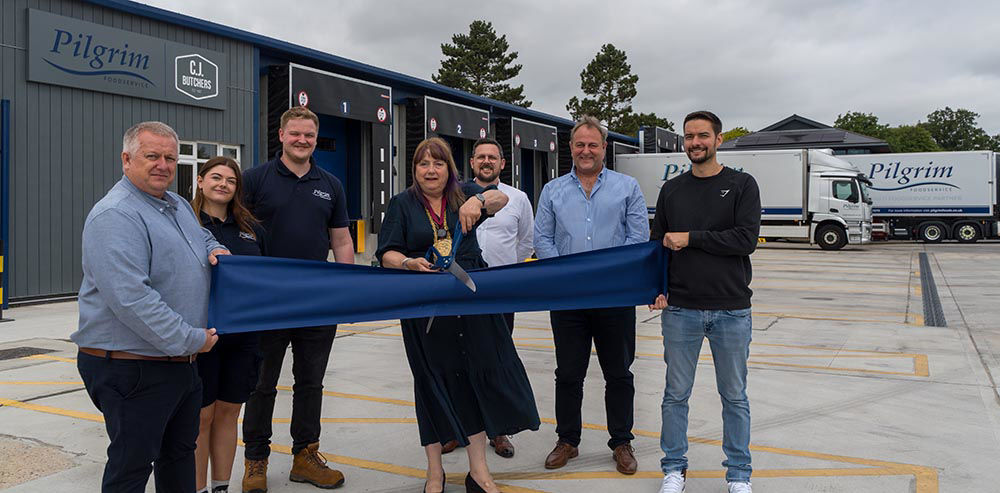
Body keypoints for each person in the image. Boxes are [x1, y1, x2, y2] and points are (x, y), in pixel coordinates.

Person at [71, 121, 229, 493]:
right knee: (131, 468)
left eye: (171, 158)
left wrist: (212, 248)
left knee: (179, 457)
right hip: (132, 366)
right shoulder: (116, 215)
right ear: (126, 160)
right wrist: (191, 339)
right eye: (152, 156)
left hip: (178, 363)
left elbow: (201, 235)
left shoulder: (175, 205)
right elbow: (132, 299)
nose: (163, 165)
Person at [376, 137, 540, 493]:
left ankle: (479, 472)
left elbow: (502, 198)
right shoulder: (402, 204)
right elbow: (386, 251)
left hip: (469, 299)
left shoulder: (464, 193)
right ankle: (435, 473)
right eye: (423, 164)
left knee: (474, 377)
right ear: (414, 169)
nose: (431, 170)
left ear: (449, 168)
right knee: (431, 381)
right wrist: (407, 262)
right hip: (425, 305)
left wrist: (478, 200)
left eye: (438, 163)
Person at [241, 106, 355, 493]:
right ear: (281, 135)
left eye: (309, 135)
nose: (302, 141)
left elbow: (341, 239)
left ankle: (305, 456)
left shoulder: (331, 184)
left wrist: (346, 286)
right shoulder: (255, 179)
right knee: (261, 384)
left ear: (315, 138)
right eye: (296, 134)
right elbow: (235, 230)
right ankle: (256, 461)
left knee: (311, 382)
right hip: (267, 302)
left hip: (317, 301)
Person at [649, 111, 761, 493]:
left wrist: (692, 238)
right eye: (689, 137)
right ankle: (674, 469)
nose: (695, 143)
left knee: (734, 396)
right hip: (680, 309)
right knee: (675, 395)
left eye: (702, 136)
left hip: (732, 309)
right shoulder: (672, 190)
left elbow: (745, 240)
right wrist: (655, 287)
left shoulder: (742, 185)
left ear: (718, 139)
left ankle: (739, 475)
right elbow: (658, 246)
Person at [534, 115, 649, 475]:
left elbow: (638, 238)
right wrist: (569, 276)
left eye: (593, 145)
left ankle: (622, 442)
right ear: (571, 148)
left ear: (604, 147)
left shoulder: (628, 187)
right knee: (568, 373)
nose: (586, 151)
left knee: (619, 374)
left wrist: (604, 274)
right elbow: (543, 240)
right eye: (580, 145)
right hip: (568, 300)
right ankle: (568, 440)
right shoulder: (552, 190)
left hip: (614, 297)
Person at [190, 157, 266, 493]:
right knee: (201, 418)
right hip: (202, 335)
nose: (223, 184)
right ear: (200, 181)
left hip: (244, 335)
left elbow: (266, 277)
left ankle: (221, 487)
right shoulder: (186, 224)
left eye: (231, 180)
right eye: (216, 177)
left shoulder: (250, 228)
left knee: (228, 414)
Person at [468, 137, 535, 459]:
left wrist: (504, 270)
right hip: (461, 291)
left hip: (499, 291)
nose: (486, 161)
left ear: (502, 164)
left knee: (496, 360)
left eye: (492, 157)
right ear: (471, 163)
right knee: (458, 360)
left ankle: (499, 430)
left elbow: (526, 243)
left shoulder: (518, 199)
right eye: (480, 156)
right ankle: (459, 427)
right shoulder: (455, 196)